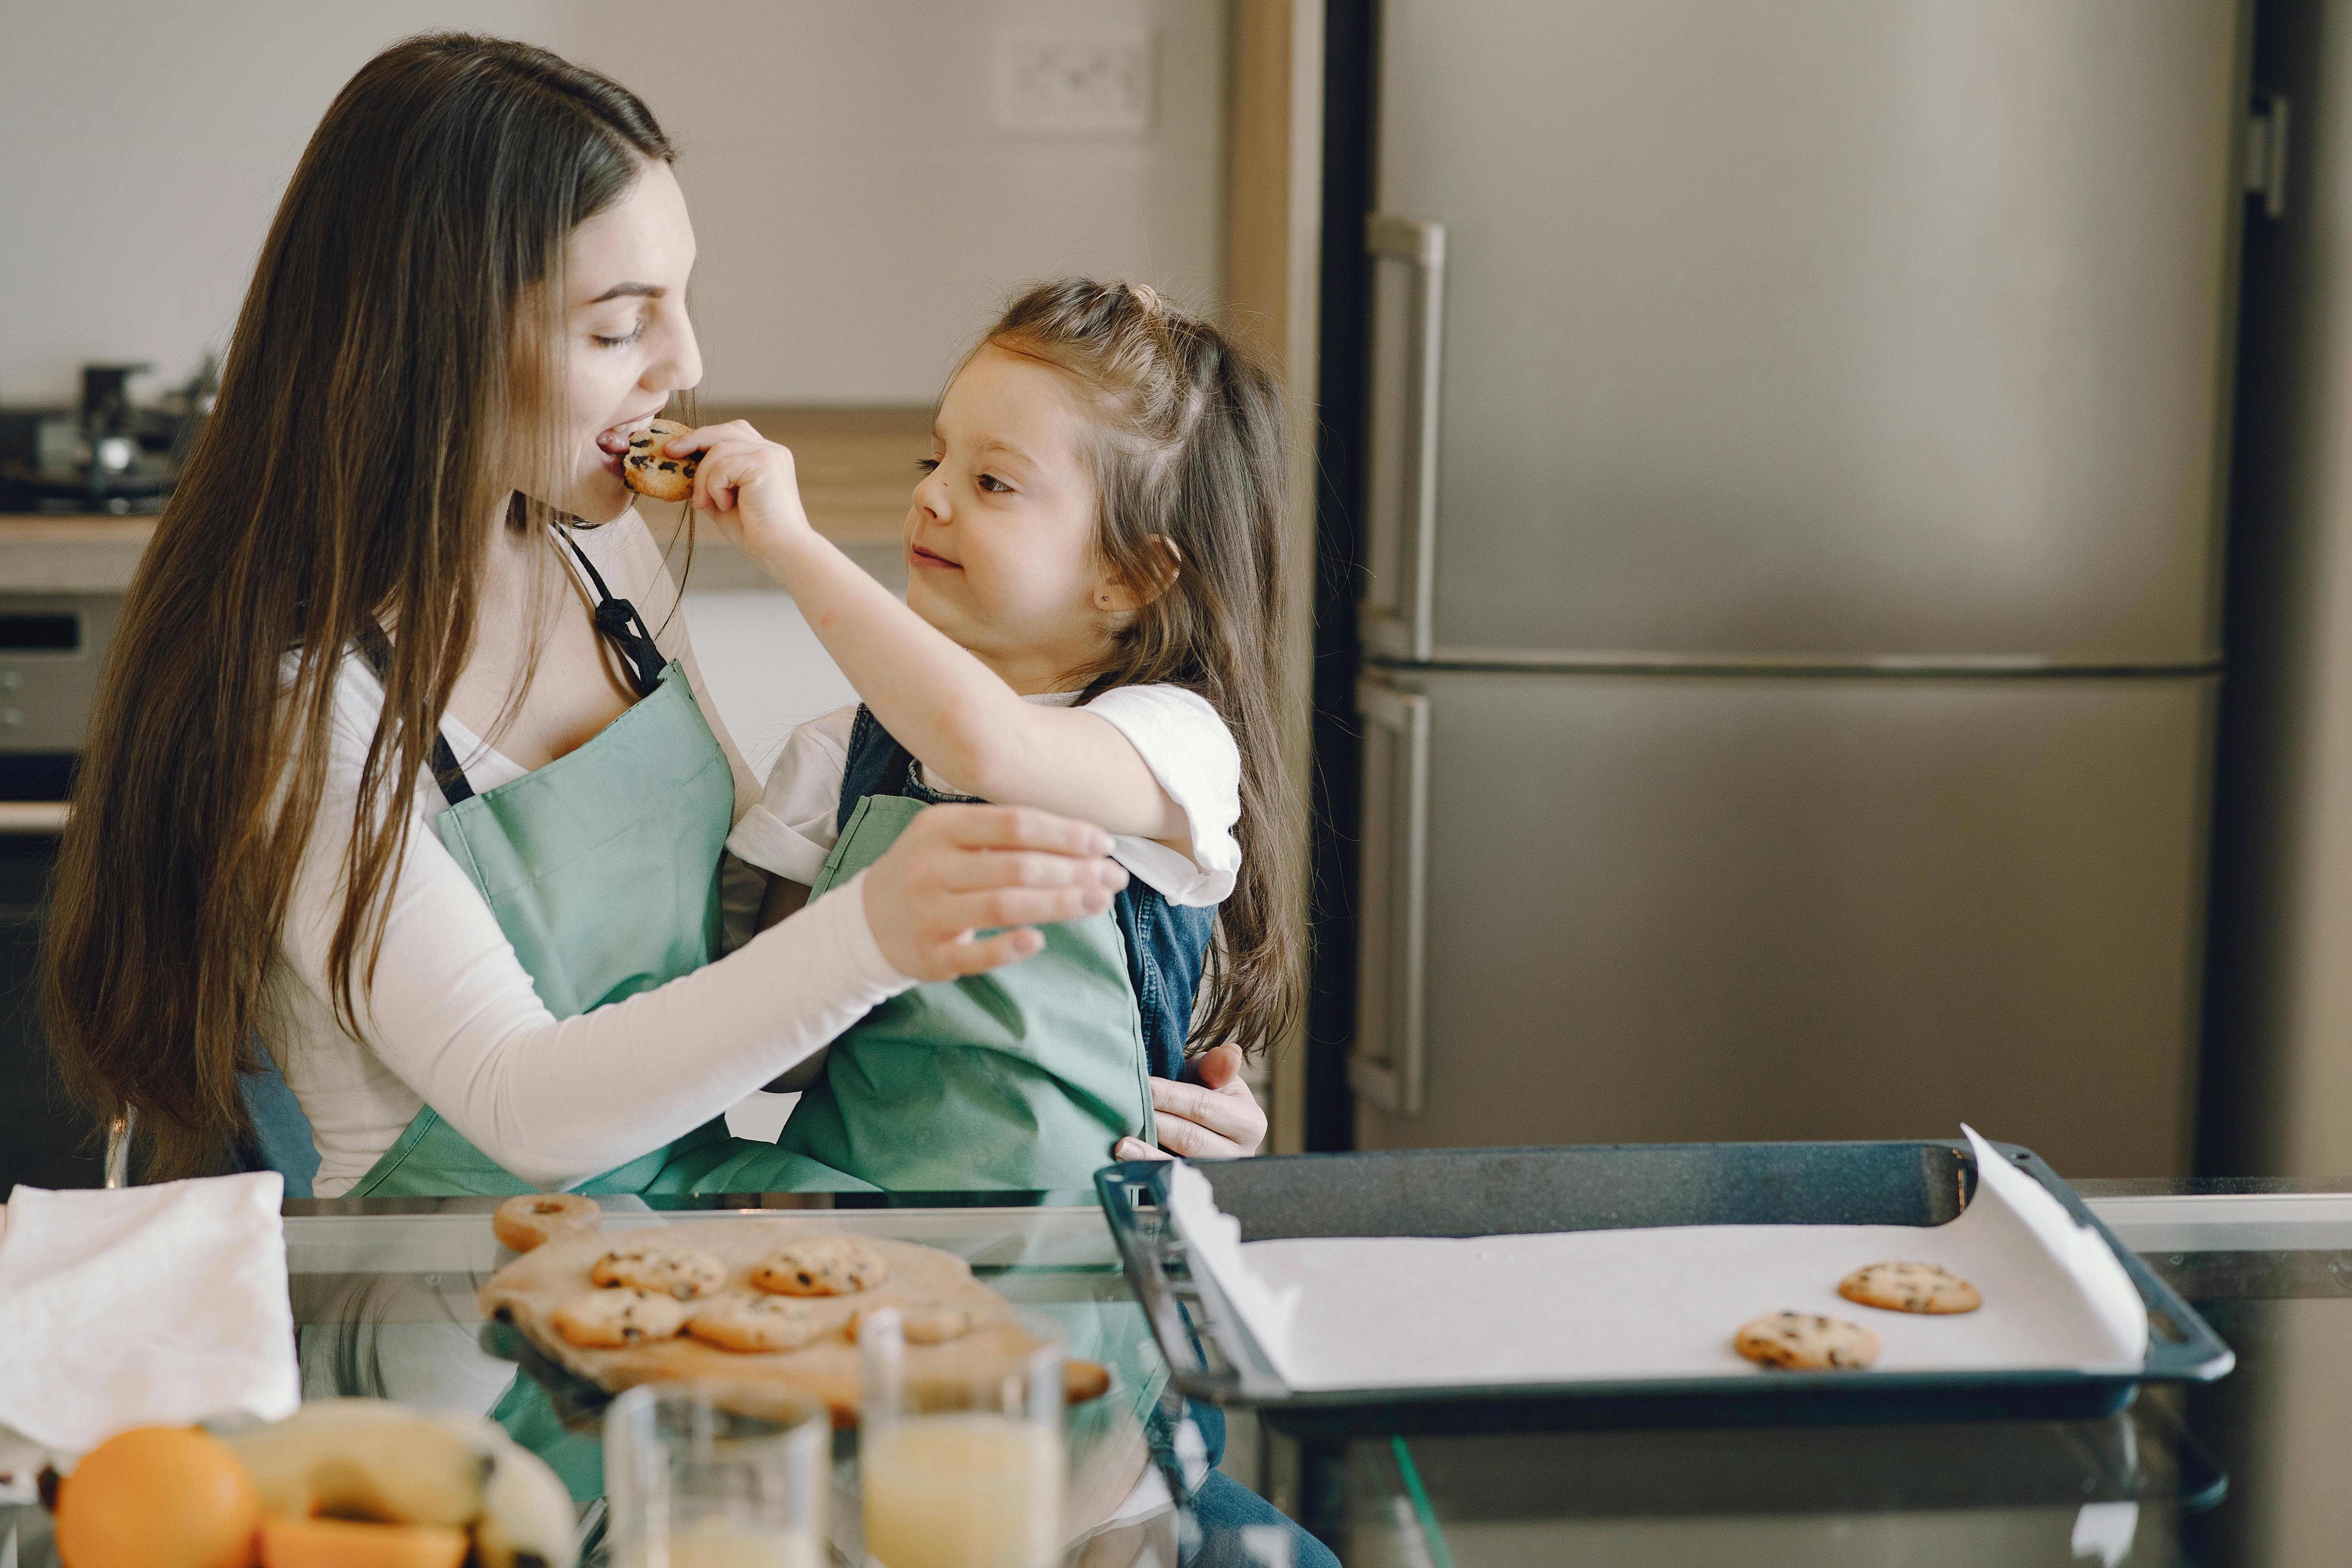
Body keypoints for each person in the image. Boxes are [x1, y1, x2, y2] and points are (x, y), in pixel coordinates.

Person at [39, 34, 1260, 1200]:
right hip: (456, 1311)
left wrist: (1094, 1082)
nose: (683, 360)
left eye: (677, 302)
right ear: (439, 340)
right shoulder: (300, 703)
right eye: (618, 325)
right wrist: (879, 931)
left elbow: (732, 998)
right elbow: (525, 1108)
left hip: (688, 1255)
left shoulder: (604, 556)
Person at [659, 277, 1302, 1191]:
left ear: (1128, 573)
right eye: (936, 461)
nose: (934, 498)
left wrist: (791, 545)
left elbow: (994, 752)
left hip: (1082, 1260)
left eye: (993, 481)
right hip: (866, 1248)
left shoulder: (1169, 741)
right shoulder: (838, 760)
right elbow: (780, 1065)